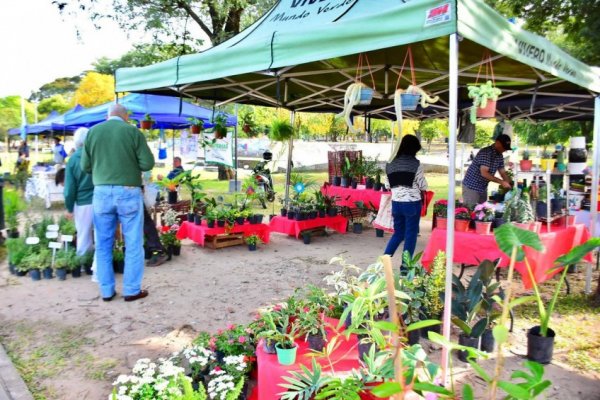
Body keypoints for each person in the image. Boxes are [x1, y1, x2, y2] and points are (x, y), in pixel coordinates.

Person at [81, 104, 155, 302]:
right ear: (125, 117)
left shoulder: (92, 132)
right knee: (133, 243)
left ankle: (106, 291)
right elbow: (147, 163)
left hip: (101, 193)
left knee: (103, 244)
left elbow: (85, 166)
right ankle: (131, 290)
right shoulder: (132, 132)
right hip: (128, 191)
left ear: (108, 116)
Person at [383, 134, 428, 259]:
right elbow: (423, 185)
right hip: (412, 204)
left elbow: (387, 184)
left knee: (398, 234)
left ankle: (383, 263)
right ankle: (405, 269)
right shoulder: (416, 164)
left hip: (396, 203)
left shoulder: (390, 163)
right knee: (410, 236)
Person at [63, 128, 95, 260]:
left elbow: (69, 189)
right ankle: (100, 265)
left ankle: (82, 264)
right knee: (101, 235)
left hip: (82, 203)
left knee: (83, 235)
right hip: (100, 199)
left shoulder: (73, 160)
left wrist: (69, 208)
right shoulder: (96, 155)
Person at [462, 134, 513, 208]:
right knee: (471, 211)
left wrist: (509, 183)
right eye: (504, 147)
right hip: (471, 187)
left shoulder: (499, 155)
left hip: (482, 187)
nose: (505, 150)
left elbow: (503, 173)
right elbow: (484, 173)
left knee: (482, 212)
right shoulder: (486, 153)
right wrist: (501, 182)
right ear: (497, 143)